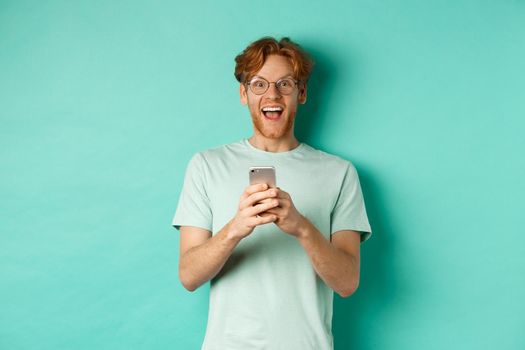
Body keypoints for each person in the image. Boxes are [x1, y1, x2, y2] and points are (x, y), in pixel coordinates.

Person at [172, 36, 372, 350]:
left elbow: (347, 283)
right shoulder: (206, 165)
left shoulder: (339, 172)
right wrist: (236, 228)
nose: (272, 94)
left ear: (301, 93)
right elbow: (188, 276)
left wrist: (302, 227)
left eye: (285, 84)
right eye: (259, 84)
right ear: (244, 93)